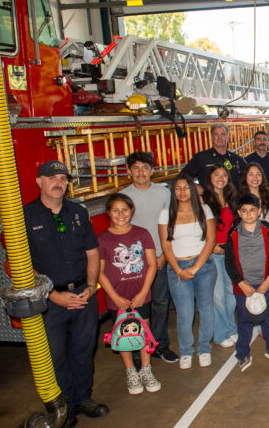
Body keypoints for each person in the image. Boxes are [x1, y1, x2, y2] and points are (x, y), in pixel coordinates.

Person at [24, 160, 108, 423]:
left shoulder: (77, 213)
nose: (59, 183)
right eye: (52, 178)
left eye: (63, 179)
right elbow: (22, 265)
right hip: (50, 302)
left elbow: (92, 252)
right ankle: (66, 410)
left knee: (83, 352)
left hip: (83, 294)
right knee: (57, 359)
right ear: (39, 182)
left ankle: (83, 398)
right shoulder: (25, 217)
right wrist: (53, 295)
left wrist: (91, 288)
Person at [97, 193, 160, 394]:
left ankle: (146, 369)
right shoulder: (102, 239)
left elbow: (152, 265)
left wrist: (143, 292)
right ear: (108, 213)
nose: (120, 214)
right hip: (118, 297)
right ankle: (131, 372)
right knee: (123, 333)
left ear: (131, 210)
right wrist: (115, 297)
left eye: (124, 209)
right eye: (115, 210)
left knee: (144, 332)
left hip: (140, 295)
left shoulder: (142, 234)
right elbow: (99, 272)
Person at [121, 152, 179, 363]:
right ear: (129, 171)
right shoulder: (124, 196)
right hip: (134, 263)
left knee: (160, 302)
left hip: (159, 257)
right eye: (135, 168)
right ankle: (137, 348)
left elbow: (171, 224)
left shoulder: (164, 193)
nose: (141, 173)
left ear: (152, 170)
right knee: (136, 305)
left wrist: (164, 253)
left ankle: (160, 344)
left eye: (145, 168)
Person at [158, 174, 217, 369]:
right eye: (178, 188)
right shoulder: (166, 214)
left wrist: (195, 267)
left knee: (206, 309)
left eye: (186, 187)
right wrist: (178, 270)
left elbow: (210, 240)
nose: (182, 191)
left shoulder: (204, 209)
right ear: (173, 192)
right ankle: (186, 351)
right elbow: (166, 246)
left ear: (192, 190)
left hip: (204, 267)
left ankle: (204, 348)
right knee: (184, 312)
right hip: (177, 269)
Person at [224, 194, 269, 371]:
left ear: (259, 211)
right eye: (244, 211)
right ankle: (242, 353)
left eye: (252, 210)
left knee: (268, 318)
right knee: (244, 321)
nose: (248, 214)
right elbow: (229, 262)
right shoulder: (233, 233)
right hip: (244, 286)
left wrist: (268, 281)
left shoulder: (267, 229)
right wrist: (241, 284)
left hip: (266, 284)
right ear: (239, 213)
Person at [201, 166, 239, 349]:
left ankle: (231, 329)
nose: (220, 178)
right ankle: (221, 333)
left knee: (231, 294)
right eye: (216, 175)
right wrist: (211, 245)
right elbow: (199, 227)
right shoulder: (204, 200)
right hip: (213, 253)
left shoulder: (232, 198)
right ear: (209, 178)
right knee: (217, 296)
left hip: (230, 253)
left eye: (224, 175)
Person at [181, 123, 247, 186]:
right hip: (210, 197)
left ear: (227, 137)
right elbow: (182, 178)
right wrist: (197, 188)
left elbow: (249, 177)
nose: (219, 137)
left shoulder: (237, 159)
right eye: (216, 134)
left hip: (234, 197)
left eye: (223, 134)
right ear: (211, 137)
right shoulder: (201, 158)